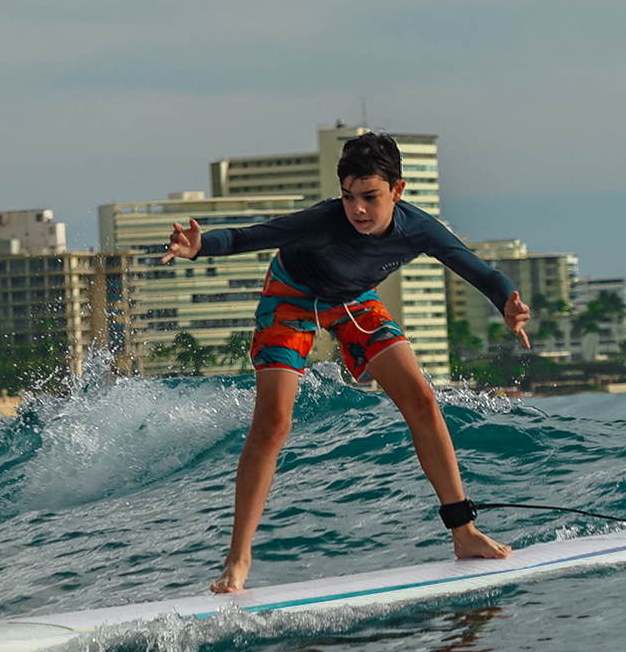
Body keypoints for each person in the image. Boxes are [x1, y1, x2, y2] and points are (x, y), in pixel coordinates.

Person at [158, 131, 533, 593]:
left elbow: (476, 269)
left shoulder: (419, 228)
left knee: (421, 398)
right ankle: (237, 560)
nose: (357, 209)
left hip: (353, 300)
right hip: (291, 296)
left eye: (370, 197)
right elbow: (255, 235)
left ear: (397, 190)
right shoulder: (325, 221)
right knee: (274, 420)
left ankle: (464, 532)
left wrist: (506, 303)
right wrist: (201, 246)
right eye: (349, 196)